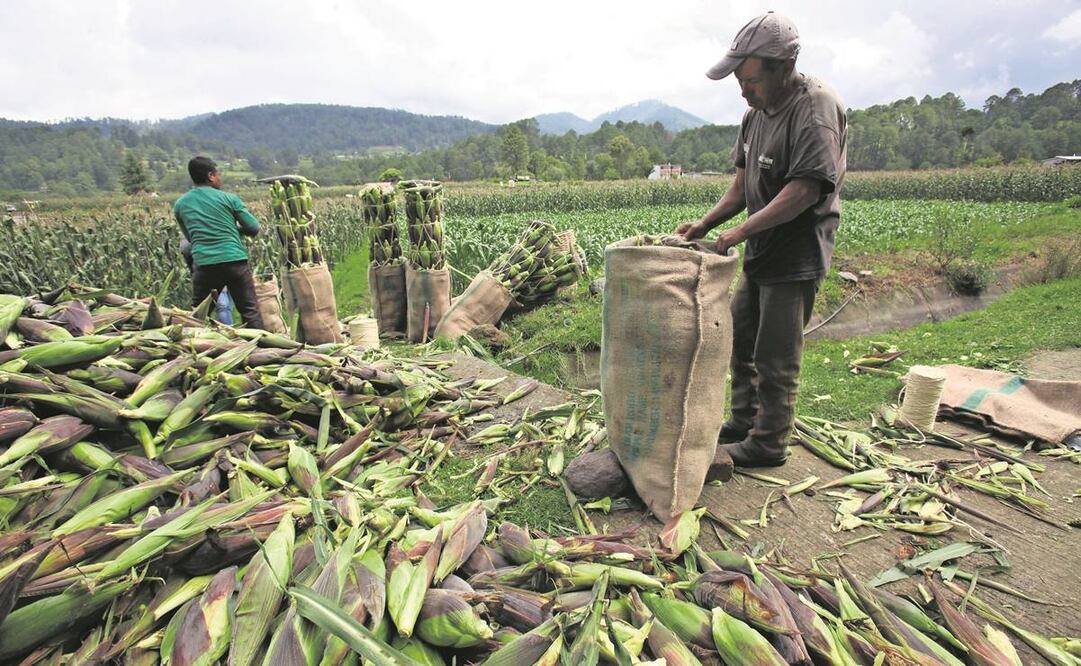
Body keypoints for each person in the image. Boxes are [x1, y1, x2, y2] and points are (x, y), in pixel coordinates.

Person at [676, 12, 847, 467]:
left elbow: (804, 190)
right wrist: (705, 225)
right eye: (739, 81)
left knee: (776, 354)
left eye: (750, 80)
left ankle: (769, 444)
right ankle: (744, 421)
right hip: (762, 249)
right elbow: (741, 187)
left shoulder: (815, 109)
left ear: (783, 67)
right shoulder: (754, 116)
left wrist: (741, 232)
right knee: (741, 335)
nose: (743, 91)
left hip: (796, 253)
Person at [174, 156, 264, 329]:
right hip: (234, 261)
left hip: (204, 264)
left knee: (198, 315)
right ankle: (261, 344)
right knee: (250, 311)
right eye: (218, 174)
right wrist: (234, 230)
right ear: (210, 176)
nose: (219, 178)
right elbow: (253, 227)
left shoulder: (181, 204)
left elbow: (191, 238)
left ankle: (193, 343)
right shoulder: (229, 199)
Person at [179, 236, 236, 325]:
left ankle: (229, 329)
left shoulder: (190, 241)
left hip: (217, 269)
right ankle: (229, 328)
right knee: (225, 307)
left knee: (223, 307)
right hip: (232, 266)